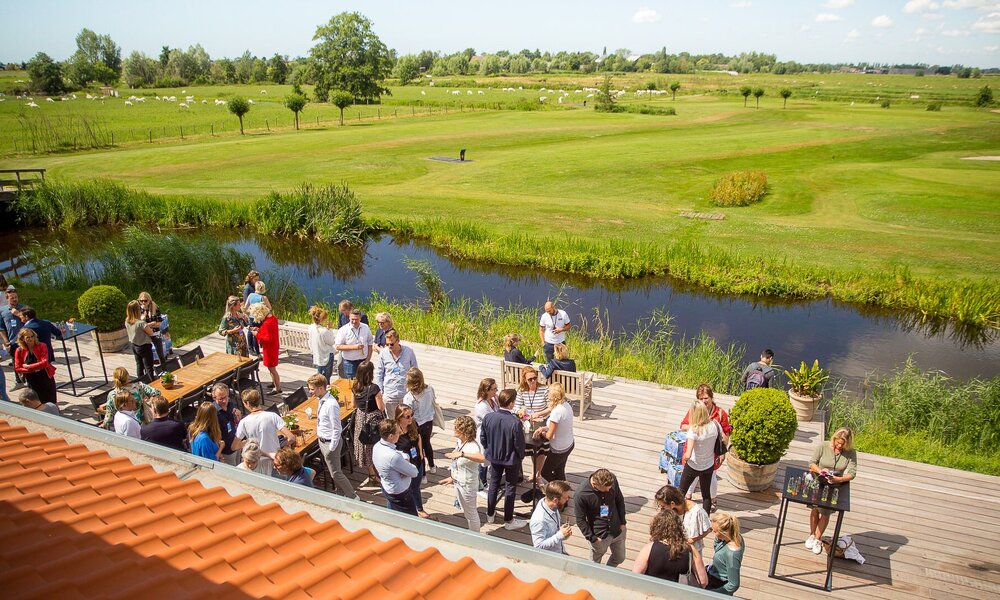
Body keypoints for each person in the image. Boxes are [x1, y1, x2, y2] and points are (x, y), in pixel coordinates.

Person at [680, 383, 731, 513]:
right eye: (701, 399)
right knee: (699, 484)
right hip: (703, 457)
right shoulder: (696, 413)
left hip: (710, 455)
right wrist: (696, 426)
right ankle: (689, 498)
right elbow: (683, 426)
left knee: (710, 480)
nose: (704, 401)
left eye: (706, 398)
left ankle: (712, 500)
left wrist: (722, 453)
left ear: (712, 398)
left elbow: (725, 435)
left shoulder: (720, 414)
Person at [805, 427, 858, 555]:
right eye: (837, 443)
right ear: (834, 439)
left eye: (842, 444)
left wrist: (839, 479)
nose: (839, 446)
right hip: (818, 480)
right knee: (815, 509)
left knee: (826, 512)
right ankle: (812, 535)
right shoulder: (823, 446)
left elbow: (852, 473)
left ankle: (818, 538)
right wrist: (820, 471)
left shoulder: (850, 453)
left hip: (834, 485)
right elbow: (812, 463)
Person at [481, 388, 528, 531]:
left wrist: (490, 449)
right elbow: (519, 444)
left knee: (493, 484)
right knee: (510, 487)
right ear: (511, 403)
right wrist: (520, 456)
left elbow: (483, 438)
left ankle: (490, 514)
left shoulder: (488, 417)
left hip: (494, 457)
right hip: (511, 460)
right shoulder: (515, 422)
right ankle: (508, 520)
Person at [310, 373, 359, 500]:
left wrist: (331, 447)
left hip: (329, 443)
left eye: (312, 389)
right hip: (324, 441)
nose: (311, 392)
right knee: (333, 473)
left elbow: (337, 428)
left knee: (336, 473)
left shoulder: (331, 404)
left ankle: (353, 497)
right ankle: (341, 493)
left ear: (321, 388)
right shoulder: (322, 400)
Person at [632, 509, 708, 586]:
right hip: (679, 593)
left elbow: (636, 575)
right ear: (679, 527)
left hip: (651, 591)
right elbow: (703, 581)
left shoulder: (649, 548)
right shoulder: (690, 550)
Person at [235, 389, 296, 475]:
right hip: (275, 460)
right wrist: (283, 446)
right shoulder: (272, 416)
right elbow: (292, 438)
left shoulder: (244, 422)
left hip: (256, 463)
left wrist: (246, 443)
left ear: (247, 403)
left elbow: (234, 446)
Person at [574, 468, 627, 567]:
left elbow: (620, 500)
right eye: (606, 488)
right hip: (599, 535)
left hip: (617, 530)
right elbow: (580, 519)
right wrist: (592, 538)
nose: (609, 490)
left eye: (610, 487)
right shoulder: (581, 494)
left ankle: (608, 572)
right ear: (595, 484)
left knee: (620, 557)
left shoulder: (612, 480)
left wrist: (623, 522)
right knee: (594, 563)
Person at [442, 415, 485, 532]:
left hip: (467, 485)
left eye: (456, 427)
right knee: (467, 512)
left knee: (471, 513)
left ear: (463, 431)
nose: (453, 429)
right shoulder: (460, 442)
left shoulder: (471, 446)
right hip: (459, 482)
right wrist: (452, 477)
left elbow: (481, 458)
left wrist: (462, 454)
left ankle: (474, 536)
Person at [679, 401, 720, 517]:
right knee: (706, 495)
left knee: (681, 492)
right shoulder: (714, 425)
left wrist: (684, 459)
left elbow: (688, 454)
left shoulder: (694, 430)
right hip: (708, 465)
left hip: (693, 465)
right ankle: (705, 520)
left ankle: (678, 517)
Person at [372, 418, 420, 516]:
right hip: (401, 494)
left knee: (393, 514)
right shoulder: (393, 456)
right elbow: (414, 472)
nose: (400, 434)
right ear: (391, 436)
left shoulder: (377, 446)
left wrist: (403, 460)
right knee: (411, 520)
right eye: (398, 433)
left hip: (387, 487)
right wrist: (406, 463)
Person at [655, 485, 712, 558]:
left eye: (663, 507)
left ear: (672, 504)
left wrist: (691, 540)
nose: (661, 510)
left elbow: (707, 530)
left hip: (691, 552)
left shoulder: (696, 512)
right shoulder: (670, 511)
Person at [352, 360, 385, 486]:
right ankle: (376, 473)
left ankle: (371, 473)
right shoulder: (374, 388)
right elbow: (381, 407)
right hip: (373, 419)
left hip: (361, 418)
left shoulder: (355, 387)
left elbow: (354, 405)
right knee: (375, 445)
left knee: (366, 446)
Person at [533, 382, 574, 482]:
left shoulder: (556, 412)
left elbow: (549, 436)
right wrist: (545, 428)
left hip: (558, 449)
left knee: (545, 473)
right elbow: (559, 426)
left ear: (554, 395)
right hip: (569, 444)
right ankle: (564, 490)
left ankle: (554, 491)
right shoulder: (566, 405)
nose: (547, 394)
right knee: (559, 470)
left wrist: (540, 432)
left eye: (549, 392)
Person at [374, 328, 417, 421]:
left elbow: (415, 371)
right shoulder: (383, 353)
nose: (389, 346)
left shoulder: (409, 352)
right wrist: (381, 392)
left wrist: (413, 390)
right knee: (392, 421)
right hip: (389, 394)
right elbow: (379, 374)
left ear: (398, 341)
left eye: (392, 344)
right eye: (387, 344)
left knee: (407, 420)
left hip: (405, 394)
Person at [515, 366, 549, 482]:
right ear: (525, 380)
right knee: (530, 449)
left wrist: (538, 414)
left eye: (535, 378)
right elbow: (516, 408)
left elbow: (550, 407)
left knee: (541, 450)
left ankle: (537, 474)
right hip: (528, 422)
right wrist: (524, 415)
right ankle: (533, 474)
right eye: (530, 379)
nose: (533, 381)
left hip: (542, 422)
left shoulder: (544, 389)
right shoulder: (521, 391)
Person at [394, 404, 428, 517]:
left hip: (417, 461)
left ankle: (419, 508)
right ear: (399, 418)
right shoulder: (395, 431)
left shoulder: (413, 424)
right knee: (407, 489)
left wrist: (421, 453)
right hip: (405, 466)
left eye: (411, 415)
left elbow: (419, 436)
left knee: (415, 487)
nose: (410, 418)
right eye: (407, 417)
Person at [403, 367, 437, 476]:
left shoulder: (409, 397)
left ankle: (423, 475)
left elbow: (407, 413)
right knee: (427, 444)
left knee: (419, 449)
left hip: (416, 424)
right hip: (428, 421)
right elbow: (433, 400)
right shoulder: (430, 389)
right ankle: (432, 466)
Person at [14, 328, 57, 407]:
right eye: (27, 337)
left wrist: (28, 366)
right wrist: (34, 369)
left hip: (45, 375)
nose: (30, 339)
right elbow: (17, 368)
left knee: (50, 397)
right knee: (36, 398)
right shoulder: (19, 350)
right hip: (31, 378)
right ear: (22, 339)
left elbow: (44, 363)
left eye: (32, 336)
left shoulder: (42, 346)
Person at [706, 512, 745, 595]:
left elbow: (733, 584)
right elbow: (717, 546)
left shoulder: (732, 554)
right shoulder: (735, 536)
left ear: (725, 532)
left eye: (715, 531)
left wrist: (713, 594)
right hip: (713, 573)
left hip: (718, 584)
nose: (712, 532)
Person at [248, 302, 282, 396]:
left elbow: (267, 338)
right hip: (273, 346)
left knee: (272, 369)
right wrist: (259, 330)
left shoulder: (267, 323)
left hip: (269, 349)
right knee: (272, 368)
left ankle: (277, 388)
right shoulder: (272, 318)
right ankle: (274, 382)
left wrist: (256, 334)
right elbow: (269, 333)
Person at [530, 480, 573, 553]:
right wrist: (560, 535)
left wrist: (562, 532)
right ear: (555, 500)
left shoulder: (549, 504)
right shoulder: (540, 520)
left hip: (560, 550)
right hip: (551, 558)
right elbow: (538, 546)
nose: (568, 499)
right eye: (565, 498)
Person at [473, 378, 498, 490]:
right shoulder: (481, 406)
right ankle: (481, 484)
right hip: (484, 435)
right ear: (487, 390)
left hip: (493, 435)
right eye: (494, 389)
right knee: (483, 459)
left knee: (488, 458)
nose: (496, 391)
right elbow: (492, 421)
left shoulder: (493, 400)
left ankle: (486, 481)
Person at [335, 308, 374, 380]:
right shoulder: (343, 330)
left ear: (360, 318)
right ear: (349, 318)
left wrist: (368, 359)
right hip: (350, 361)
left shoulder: (365, 327)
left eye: (356, 319)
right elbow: (338, 346)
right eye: (352, 319)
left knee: (364, 380)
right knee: (351, 383)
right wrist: (354, 347)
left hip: (363, 360)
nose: (354, 321)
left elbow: (370, 342)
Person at [1, 285, 27, 387]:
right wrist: (6, 340)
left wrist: (18, 314)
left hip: (25, 340)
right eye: (12, 298)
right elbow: (1, 328)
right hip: (12, 342)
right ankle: (18, 381)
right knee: (15, 361)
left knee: (27, 360)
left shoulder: (24, 308)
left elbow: (31, 321)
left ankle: (29, 381)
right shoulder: (2, 311)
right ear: (7, 299)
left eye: (16, 297)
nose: (15, 299)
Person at [211, 383, 242, 465]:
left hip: (236, 443)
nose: (224, 401)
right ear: (214, 398)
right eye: (221, 399)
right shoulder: (213, 412)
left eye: (226, 397)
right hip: (226, 451)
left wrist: (238, 416)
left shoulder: (230, 404)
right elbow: (211, 434)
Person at [125, 300, 156, 381]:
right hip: (144, 346)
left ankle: (141, 381)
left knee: (139, 365)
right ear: (137, 310)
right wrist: (144, 321)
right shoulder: (141, 323)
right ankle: (151, 382)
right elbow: (151, 333)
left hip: (134, 345)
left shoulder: (127, 321)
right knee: (148, 366)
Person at [307, 306, 337, 381]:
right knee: (326, 376)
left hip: (317, 354)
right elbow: (331, 342)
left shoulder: (311, 327)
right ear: (322, 319)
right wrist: (329, 330)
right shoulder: (323, 331)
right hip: (326, 355)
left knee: (319, 373)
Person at [138, 292, 167, 365]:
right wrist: (152, 323)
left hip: (155, 334)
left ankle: (165, 370)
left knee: (160, 353)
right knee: (147, 356)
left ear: (149, 300)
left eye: (145, 300)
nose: (143, 303)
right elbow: (138, 325)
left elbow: (159, 324)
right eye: (141, 301)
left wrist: (146, 325)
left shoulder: (155, 307)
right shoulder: (139, 309)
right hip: (144, 335)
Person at [242, 271, 261, 355]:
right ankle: (250, 347)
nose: (257, 281)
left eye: (258, 279)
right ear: (250, 278)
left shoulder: (255, 286)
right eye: (255, 279)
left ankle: (256, 344)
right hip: (250, 312)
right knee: (251, 329)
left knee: (256, 328)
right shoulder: (247, 288)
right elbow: (246, 301)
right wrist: (248, 313)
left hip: (257, 312)